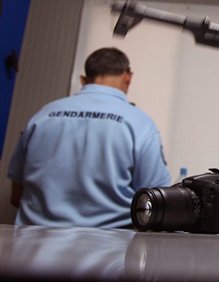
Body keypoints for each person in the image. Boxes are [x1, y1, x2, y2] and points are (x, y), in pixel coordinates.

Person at [7, 47, 171, 228]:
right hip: (110, 249)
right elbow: (158, 204)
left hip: (30, 246)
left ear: (84, 80)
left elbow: (16, 197)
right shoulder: (140, 124)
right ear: (128, 78)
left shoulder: (42, 116)